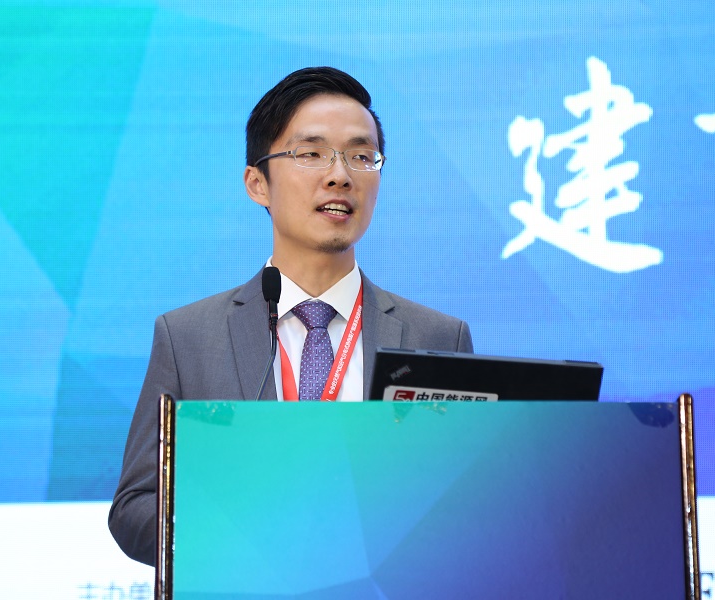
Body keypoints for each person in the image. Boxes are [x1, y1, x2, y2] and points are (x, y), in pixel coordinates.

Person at [109, 66, 474, 566]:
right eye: (311, 153)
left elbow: (467, 504)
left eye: (362, 156)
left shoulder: (438, 337)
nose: (340, 175)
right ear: (257, 183)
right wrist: (247, 528)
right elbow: (134, 509)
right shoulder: (189, 337)